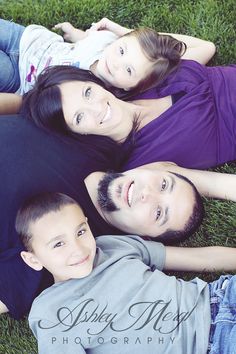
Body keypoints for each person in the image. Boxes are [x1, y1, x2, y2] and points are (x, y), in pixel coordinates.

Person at [0, 113, 235, 319]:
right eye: (164, 184)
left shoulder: (63, 246)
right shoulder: (96, 136)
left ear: (146, 237)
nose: (147, 195)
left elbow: (202, 258)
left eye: (158, 213)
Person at [16, 192, 236, 354]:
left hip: (218, 296)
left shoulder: (112, 247)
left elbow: (196, 258)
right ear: (33, 259)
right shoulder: (49, 310)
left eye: (81, 232)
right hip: (212, 346)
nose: (78, 249)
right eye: (58, 244)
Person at [23, 58, 236, 169]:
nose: (96, 107)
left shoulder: (132, 82)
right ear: (75, 133)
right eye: (79, 117)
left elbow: (169, 49)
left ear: (94, 82)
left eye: (87, 92)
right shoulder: (139, 164)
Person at [0, 17, 215, 113]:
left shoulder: (93, 93)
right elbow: (84, 40)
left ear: (131, 87)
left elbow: (207, 48)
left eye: (129, 70)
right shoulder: (106, 41)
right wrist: (121, 31)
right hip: (27, 38)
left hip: (17, 76)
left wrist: (126, 36)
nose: (116, 62)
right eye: (122, 50)